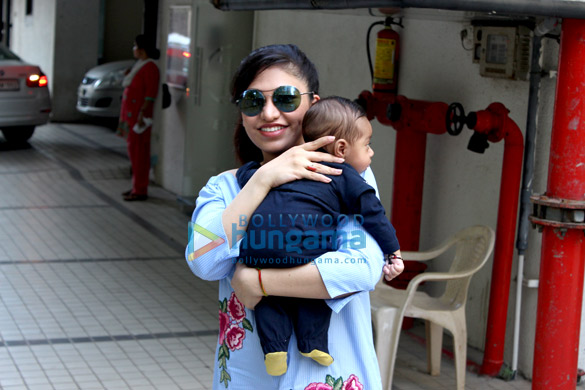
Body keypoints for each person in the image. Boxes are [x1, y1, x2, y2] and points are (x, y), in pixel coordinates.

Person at [185, 44, 404, 390]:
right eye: (253, 101)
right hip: (248, 379)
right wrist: (262, 180)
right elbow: (204, 260)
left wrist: (257, 282)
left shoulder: (343, 178)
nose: (269, 113)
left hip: (332, 377)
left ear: (313, 104)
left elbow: (362, 266)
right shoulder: (225, 189)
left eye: (285, 98)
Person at [235, 96, 401, 376]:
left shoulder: (283, 167)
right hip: (303, 246)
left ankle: (274, 348)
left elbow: (246, 176)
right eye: (368, 145)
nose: (371, 154)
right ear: (341, 148)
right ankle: (313, 342)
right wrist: (392, 251)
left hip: (257, 247)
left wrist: (251, 172)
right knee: (314, 287)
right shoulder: (345, 175)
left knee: (270, 298)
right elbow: (374, 215)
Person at [117, 34, 160, 201]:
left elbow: (150, 94)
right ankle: (136, 186)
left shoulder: (150, 68)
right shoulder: (140, 65)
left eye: (135, 47)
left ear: (141, 50)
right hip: (132, 117)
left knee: (139, 153)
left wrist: (142, 113)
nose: (133, 50)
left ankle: (140, 189)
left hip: (140, 119)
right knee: (134, 153)